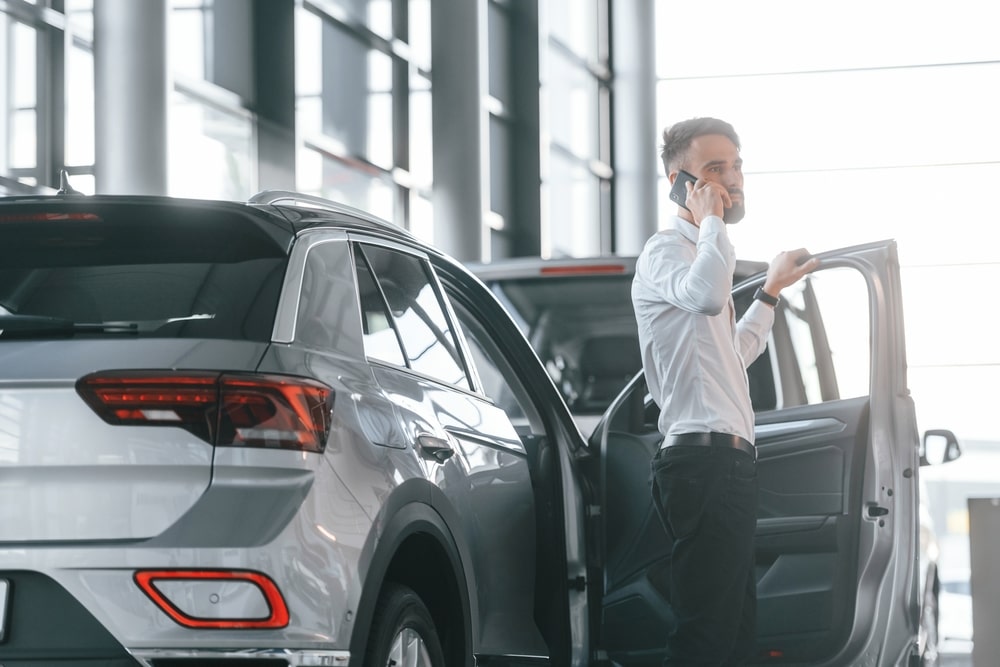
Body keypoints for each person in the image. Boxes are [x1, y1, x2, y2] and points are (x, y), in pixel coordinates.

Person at [631, 117, 820, 666]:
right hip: (700, 463)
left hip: (727, 466)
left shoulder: (703, 257)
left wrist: (769, 293)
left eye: (736, 165)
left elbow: (729, 357)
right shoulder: (667, 252)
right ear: (678, 181)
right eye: (716, 168)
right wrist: (714, 224)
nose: (733, 179)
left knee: (736, 635)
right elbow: (709, 298)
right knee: (704, 636)